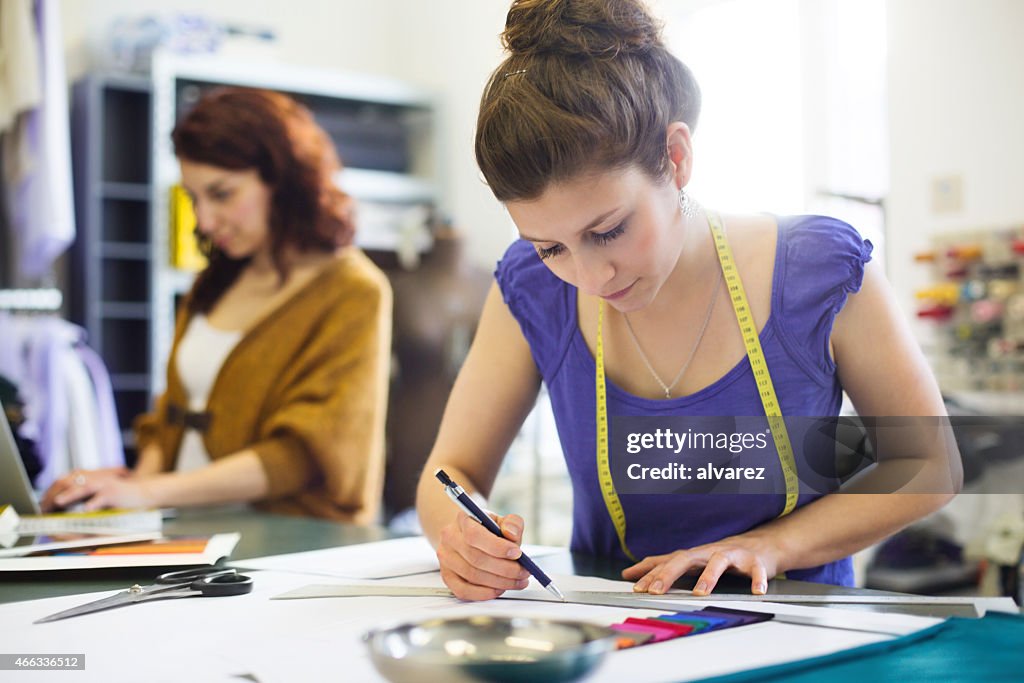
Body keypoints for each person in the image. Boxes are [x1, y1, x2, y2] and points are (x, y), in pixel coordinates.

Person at [416, 0, 962, 600]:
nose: (592, 276)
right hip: (615, 636)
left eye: (609, 231)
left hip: (800, 636)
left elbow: (930, 465)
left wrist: (770, 547)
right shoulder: (531, 288)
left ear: (676, 159)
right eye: (552, 247)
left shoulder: (818, 273)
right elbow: (449, 474)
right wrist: (462, 536)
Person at [42, 88, 392, 523]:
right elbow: (170, 416)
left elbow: (302, 454)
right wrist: (123, 494)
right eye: (193, 199)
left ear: (282, 179)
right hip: (186, 532)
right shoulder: (217, 278)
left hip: (288, 543)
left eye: (221, 194)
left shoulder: (353, 291)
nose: (204, 221)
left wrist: (149, 491)